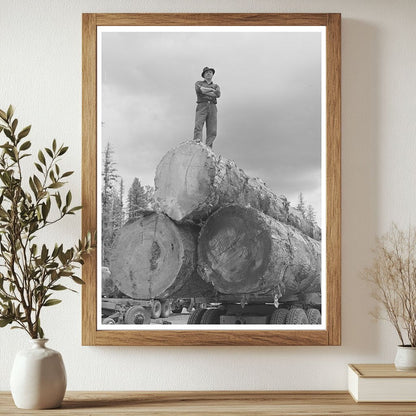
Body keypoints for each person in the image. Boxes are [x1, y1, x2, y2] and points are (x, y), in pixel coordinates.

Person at [193, 67, 221, 148]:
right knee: (198, 125)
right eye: (206, 72)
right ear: (204, 75)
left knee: (212, 130)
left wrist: (205, 91)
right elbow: (200, 90)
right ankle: (197, 144)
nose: (208, 73)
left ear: (212, 74)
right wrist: (212, 91)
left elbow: (218, 94)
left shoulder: (216, 85)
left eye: (210, 72)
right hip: (202, 105)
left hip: (212, 106)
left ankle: (208, 148)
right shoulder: (199, 83)